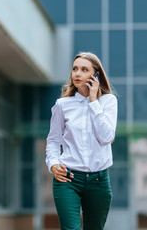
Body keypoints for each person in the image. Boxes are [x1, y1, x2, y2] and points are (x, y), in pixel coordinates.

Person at [45, 52, 117, 230]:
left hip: (99, 181)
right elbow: (53, 140)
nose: (77, 74)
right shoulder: (63, 105)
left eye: (84, 69)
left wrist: (93, 102)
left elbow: (106, 137)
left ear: (96, 75)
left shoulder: (108, 102)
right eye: (75, 69)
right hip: (68, 179)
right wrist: (53, 163)